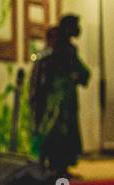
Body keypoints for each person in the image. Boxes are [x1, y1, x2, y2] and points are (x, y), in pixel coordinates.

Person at [29, 15, 89, 176]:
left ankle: (59, 167)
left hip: (63, 100)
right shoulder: (60, 50)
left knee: (62, 132)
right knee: (56, 132)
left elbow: (82, 73)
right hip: (56, 101)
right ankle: (54, 167)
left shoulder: (66, 50)